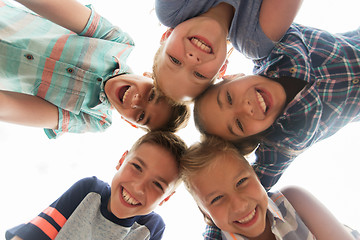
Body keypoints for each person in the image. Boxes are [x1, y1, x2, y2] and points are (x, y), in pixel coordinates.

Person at [193, 23, 360, 190]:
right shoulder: (282, 142)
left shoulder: (269, 47)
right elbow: (255, 188)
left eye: (229, 97)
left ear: (232, 76)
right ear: (254, 138)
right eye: (239, 124)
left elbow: (239, 18)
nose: (246, 108)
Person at [0, 0, 189, 139]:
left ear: (131, 123)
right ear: (150, 75)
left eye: (141, 116)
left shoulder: (94, 120)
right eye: (151, 95)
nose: (136, 102)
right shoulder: (118, 43)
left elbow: (8, 107)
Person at [5, 131, 187, 240]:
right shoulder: (90, 191)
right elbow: (31, 235)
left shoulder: (150, 229)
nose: (138, 187)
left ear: (167, 198)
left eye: (157, 184)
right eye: (137, 167)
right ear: (122, 160)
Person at [181, 136, 359, 240]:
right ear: (205, 213)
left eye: (241, 182)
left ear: (256, 176)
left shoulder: (293, 201)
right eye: (217, 199)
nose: (239, 205)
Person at [151, 0, 303, 102]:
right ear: (222, 69)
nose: (191, 59)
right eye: (199, 74)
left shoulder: (172, 11)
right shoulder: (255, 42)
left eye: (174, 60)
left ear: (167, 36)